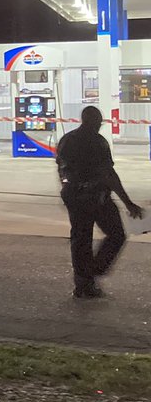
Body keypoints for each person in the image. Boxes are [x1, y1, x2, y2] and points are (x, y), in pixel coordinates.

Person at [56, 105, 143, 298]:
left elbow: (61, 169)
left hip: (75, 197)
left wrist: (68, 191)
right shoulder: (98, 142)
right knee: (116, 235)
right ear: (95, 122)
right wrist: (127, 202)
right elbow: (109, 174)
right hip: (97, 198)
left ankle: (83, 282)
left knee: (81, 240)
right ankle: (93, 271)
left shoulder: (66, 140)